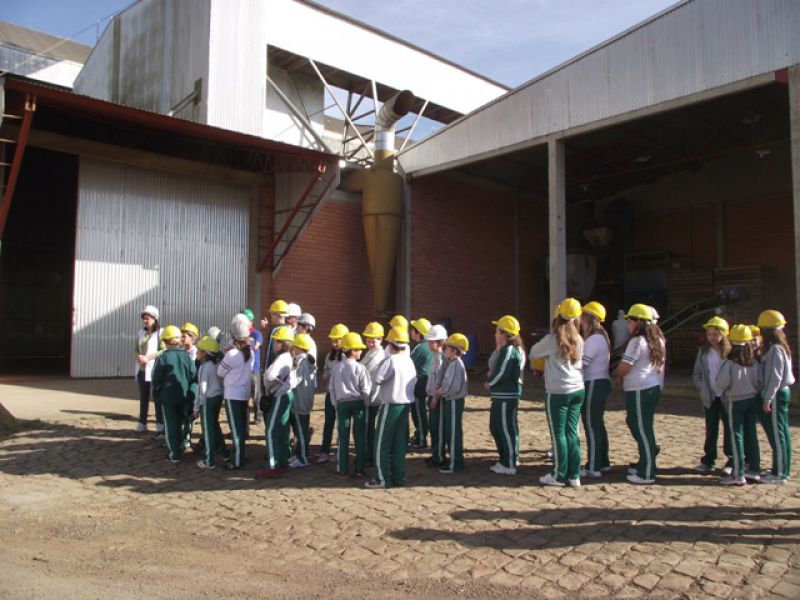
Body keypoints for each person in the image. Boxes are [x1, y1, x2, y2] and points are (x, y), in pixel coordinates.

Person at [530, 298, 585, 487]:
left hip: (558, 391)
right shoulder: (579, 339)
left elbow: (533, 353)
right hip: (578, 389)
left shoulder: (552, 339)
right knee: (573, 432)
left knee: (558, 433)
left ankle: (559, 475)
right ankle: (574, 475)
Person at [614, 303, 666, 485]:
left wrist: (616, 373)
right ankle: (646, 459)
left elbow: (625, 366)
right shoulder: (658, 339)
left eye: (630, 320)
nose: (628, 324)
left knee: (642, 428)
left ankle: (647, 472)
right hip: (651, 387)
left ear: (639, 322)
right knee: (643, 425)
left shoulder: (637, 341)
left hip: (639, 389)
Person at [365, 326, 417, 489]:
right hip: (405, 405)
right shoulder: (409, 360)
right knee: (400, 443)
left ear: (391, 345)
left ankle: (381, 478)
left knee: (382, 442)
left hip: (390, 405)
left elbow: (377, 378)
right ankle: (398, 477)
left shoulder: (391, 360)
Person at [715, 324, 762, 485]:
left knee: (737, 436)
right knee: (751, 435)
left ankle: (738, 472)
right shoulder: (754, 362)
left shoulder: (730, 363)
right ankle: (754, 468)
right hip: (752, 400)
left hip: (736, 401)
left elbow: (721, 383)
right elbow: (760, 381)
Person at [691, 316, 733, 473]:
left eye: (716, 334)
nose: (712, 338)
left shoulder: (730, 352)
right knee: (711, 428)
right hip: (710, 396)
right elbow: (697, 374)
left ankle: (731, 460)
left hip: (727, 396)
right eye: (709, 334)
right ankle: (709, 459)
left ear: (723, 334)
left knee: (729, 428)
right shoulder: (703, 352)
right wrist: (702, 388)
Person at [757, 309, 794, 484]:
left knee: (777, 434)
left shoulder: (775, 350)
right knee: (782, 433)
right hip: (781, 392)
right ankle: (782, 468)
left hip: (776, 393)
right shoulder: (782, 348)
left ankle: (779, 473)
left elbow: (775, 377)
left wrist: (767, 398)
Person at [151, 325, 197, 464]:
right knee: (181, 422)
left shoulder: (163, 357)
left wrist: (157, 393)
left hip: (168, 398)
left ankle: (174, 454)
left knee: (171, 426)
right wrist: (191, 396)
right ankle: (182, 443)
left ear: (165, 341)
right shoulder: (187, 357)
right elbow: (193, 377)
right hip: (184, 397)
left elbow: (156, 379)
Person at [486, 315, 525, 476]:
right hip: (500, 395)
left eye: (497, 332)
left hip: (505, 396)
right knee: (497, 427)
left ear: (504, 334)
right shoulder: (504, 350)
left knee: (505, 428)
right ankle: (506, 458)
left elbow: (502, 372)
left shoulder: (510, 351)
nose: (495, 335)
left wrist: (490, 382)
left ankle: (509, 462)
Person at [256, 326, 297, 479]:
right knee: (282, 428)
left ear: (284, 343)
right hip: (286, 394)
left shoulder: (282, 357)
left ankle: (273, 464)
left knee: (271, 430)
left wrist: (270, 387)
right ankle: (282, 459)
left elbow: (269, 376)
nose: (274, 344)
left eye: (277, 341)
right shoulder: (289, 357)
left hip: (279, 395)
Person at [330, 332, 371, 478]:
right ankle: (359, 468)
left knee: (343, 436)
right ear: (352, 351)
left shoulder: (336, 368)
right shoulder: (361, 368)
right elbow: (366, 389)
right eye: (359, 349)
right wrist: (366, 403)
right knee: (359, 436)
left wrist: (336, 404)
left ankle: (342, 469)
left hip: (342, 404)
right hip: (358, 403)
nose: (361, 351)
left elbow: (332, 388)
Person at [217, 315, 255, 471]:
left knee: (236, 428)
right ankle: (240, 454)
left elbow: (220, 372)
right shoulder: (250, 353)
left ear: (234, 336)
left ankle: (237, 460)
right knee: (240, 426)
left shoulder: (231, 355)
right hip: (244, 393)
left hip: (232, 394)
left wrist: (227, 355)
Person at [579, 302, 612, 478]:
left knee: (591, 425)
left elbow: (583, 363)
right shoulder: (601, 337)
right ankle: (603, 461)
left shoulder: (593, 339)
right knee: (598, 424)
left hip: (594, 382)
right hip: (600, 382)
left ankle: (593, 466)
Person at [433, 333, 469, 474]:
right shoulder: (452, 364)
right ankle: (454, 459)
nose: (445, 350)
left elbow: (452, 386)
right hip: (451, 400)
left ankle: (455, 463)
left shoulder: (456, 364)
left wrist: (439, 392)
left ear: (454, 351)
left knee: (453, 432)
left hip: (454, 400)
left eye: (447, 348)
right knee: (450, 430)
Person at [317, 323, 349, 463]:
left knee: (341, 424)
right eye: (333, 340)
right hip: (331, 393)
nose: (335, 343)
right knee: (328, 422)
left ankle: (340, 451)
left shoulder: (348, 356)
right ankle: (324, 450)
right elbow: (325, 372)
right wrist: (326, 376)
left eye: (338, 340)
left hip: (342, 395)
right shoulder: (330, 355)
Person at [194, 335, 226, 470]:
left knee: (207, 429)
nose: (197, 353)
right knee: (215, 425)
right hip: (218, 397)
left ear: (205, 353)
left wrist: (196, 406)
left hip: (208, 400)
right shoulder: (217, 364)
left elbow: (202, 389)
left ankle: (209, 460)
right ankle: (224, 452)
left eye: (200, 351)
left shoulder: (203, 367)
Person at [134, 305, 165, 434]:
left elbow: (163, 350)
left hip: (154, 369)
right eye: (144, 319)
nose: (145, 321)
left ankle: (160, 424)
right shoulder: (140, 333)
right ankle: (142, 423)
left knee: (157, 398)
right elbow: (136, 348)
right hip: (141, 370)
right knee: (143, 397)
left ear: (155, 318)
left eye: (148, 318)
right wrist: (138, 357)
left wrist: (148, 357)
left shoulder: (160, 333)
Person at [361, 322, 387, 465]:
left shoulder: (378, 356)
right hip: (369, 396)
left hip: (373, 397)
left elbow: (365, 375)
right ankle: (369, 453)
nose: (370, 343)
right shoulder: (371, 352)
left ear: (381, 339)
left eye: (373, 340)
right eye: (368, 340)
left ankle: (370, 455)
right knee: (369, 427)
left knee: (369, 428)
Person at [289, 332, 316, 468]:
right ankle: (300, 454)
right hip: (306, 400)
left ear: (298, 348)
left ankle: (303, 457)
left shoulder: (301, 362)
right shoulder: (307, 360)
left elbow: (295, 381)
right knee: (302, 428)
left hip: (300, 401)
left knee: (301, 430)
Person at [423, 324, 448, 467]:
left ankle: (439, 456)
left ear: (439, 342)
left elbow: (441, 381)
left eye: (431, 341)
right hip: (431, 396)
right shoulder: (435, 357)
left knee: (438, 428)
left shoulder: (442, 358)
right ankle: (435, 453)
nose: (429, 344)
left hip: (437, 399)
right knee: (433, 427)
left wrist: (435, 397)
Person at [409, 318, 433, 448]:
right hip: (427, 383)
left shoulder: (420, 347)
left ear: (419, 333)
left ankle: (422, 438)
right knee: (422, 411)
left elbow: (410, 364)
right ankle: (420, 435)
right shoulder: (429, 345)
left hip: (420, 384)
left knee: (418, 412)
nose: (411, 332)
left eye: (413, 330)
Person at [180, 322, 200, 450]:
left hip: (191, 387)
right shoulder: (180, 351)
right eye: (181, 335)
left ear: (192, 337)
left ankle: (186, 438)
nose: (182, 338)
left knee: (189, 414)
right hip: (181, 387)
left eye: (185, 336)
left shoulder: (196, 352)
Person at [241, 309, 263, 425]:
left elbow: (257, 345)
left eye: (246, 320)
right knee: (244, 395)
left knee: (256, 395)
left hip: (254, 369)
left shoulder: (256, 334)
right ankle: (245, 419)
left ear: (251, 321)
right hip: (244, 369)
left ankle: (257, 415)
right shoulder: (240, 334)